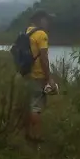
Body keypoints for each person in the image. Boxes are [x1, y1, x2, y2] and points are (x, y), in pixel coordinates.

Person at [21, 9, 55, 142]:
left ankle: (27, 132)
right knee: (36, 106)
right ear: (40, 20)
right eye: (47, 19)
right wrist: (49, 78)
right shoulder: (41, 34)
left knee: (30, 104)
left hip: (27, 73)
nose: (48, 22)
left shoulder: (27, 31)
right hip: (38, 75)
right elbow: (44, 58)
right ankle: (36, 136)